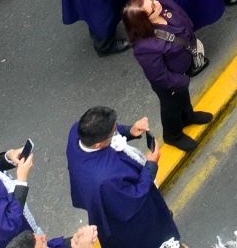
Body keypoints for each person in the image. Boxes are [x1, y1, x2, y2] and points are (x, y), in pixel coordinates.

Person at [120, 0, 217, 151]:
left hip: (181, 69)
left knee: (183, 97)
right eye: (152, 6)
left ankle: (188, 116)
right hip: (169, 82)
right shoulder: (144, 46)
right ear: (146, 20)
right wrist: (181, 81)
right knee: (171, 106)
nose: (156, 2)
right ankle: (172, 135)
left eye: (151, 0)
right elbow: (159, 76)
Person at [64, 105, 180, 248]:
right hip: (132, 221)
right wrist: (151, 165)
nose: (116, 131)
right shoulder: (105, 179)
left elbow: (110, 132)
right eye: (114, 132)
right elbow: (134, 197)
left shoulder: (77, 131)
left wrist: (130, 131)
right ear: (98, 145)